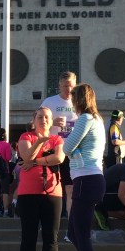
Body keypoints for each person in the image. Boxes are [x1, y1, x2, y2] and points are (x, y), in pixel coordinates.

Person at [14, 106, 70, 251]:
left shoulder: (57, 139)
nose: (43, 120)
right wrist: (39, 142)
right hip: (28, 193)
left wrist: (35, 162)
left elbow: (59, 158)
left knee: (51, 237)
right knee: (28, 235)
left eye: (47, 117)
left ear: (51, 120)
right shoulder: (26, 137)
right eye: (40, 117)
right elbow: (25, 155)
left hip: (53, 193)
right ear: (34, 119)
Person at [60, 83, 108, 251]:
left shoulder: (85, 119)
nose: (71, 102)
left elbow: (67, 147)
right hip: (93, 178)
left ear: (79, 100)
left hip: (85, 179)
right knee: (73, 233)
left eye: (73, 98)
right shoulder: (98, 120)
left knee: (81, 233)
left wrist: (72, 150)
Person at [41, 71, 77, 219]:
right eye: (65, 86)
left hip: (72, 150)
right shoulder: (49, 102)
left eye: (71, 86)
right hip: (53, 150)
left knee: (70, 187)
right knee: (53, 184)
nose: (68, 90)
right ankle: (51, 216)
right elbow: (35, 124)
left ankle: (70, 220)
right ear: (59, 86)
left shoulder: (78, 102)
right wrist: (52, 123)